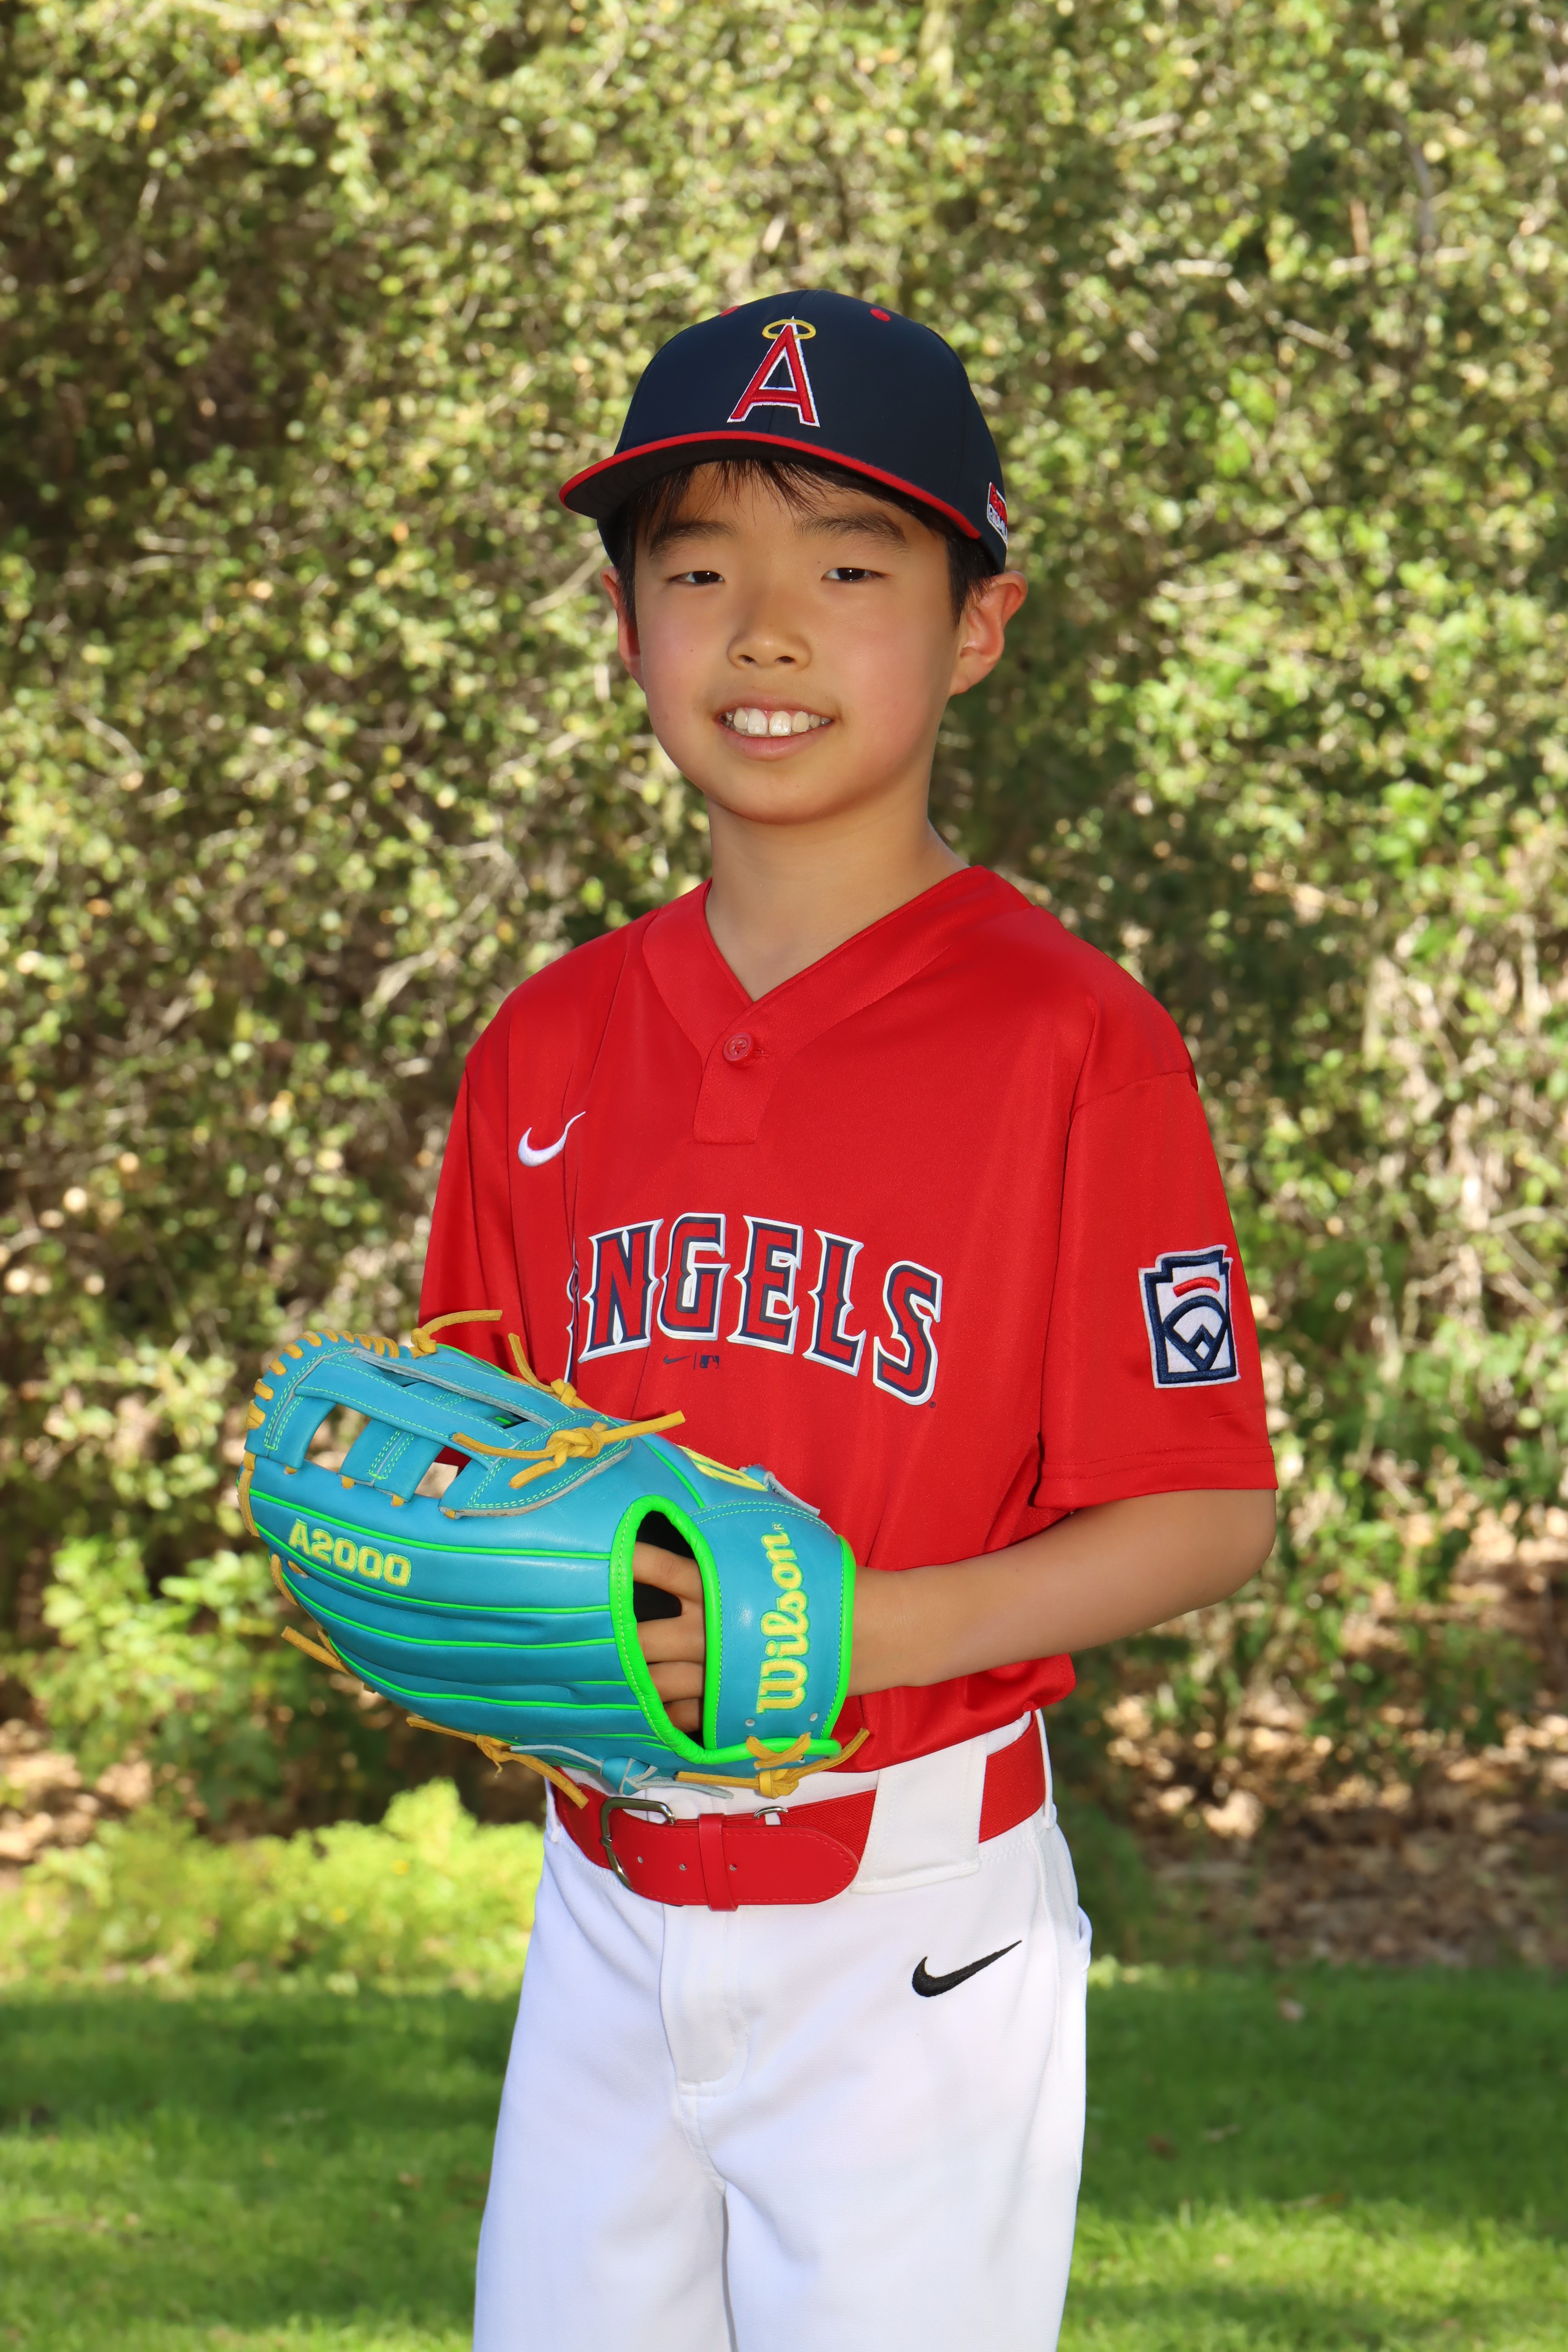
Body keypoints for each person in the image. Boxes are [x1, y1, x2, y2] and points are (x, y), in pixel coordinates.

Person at [418, 289, 1277, 2352]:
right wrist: (435, 1577)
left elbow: (1204, 1512)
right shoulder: (543, 1049)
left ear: (977, 625)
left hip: (912, 1928)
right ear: (624, 623)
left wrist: (842, 1633)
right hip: (603, 1899)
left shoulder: (1074, 1039)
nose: (766, 631)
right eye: (697, 568)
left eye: (850, 567)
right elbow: (471, 1454)